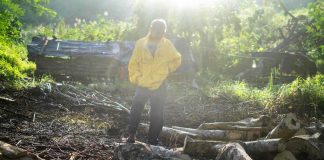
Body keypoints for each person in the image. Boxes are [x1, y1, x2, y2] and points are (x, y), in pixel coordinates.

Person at [126, 19, 182, 145]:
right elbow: (133, 63)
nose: (159, 33)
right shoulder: (140, 43)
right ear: (151, 29)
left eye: (162, 31)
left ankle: (152, 139)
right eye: (157, 30)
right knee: (136, 109)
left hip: (160, 84)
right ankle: (131, 135)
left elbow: (177, 59)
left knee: (157, 114)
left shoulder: (167, 45)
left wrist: (167, 69)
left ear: (164, 31)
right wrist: (136, 78)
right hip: (142, 83)